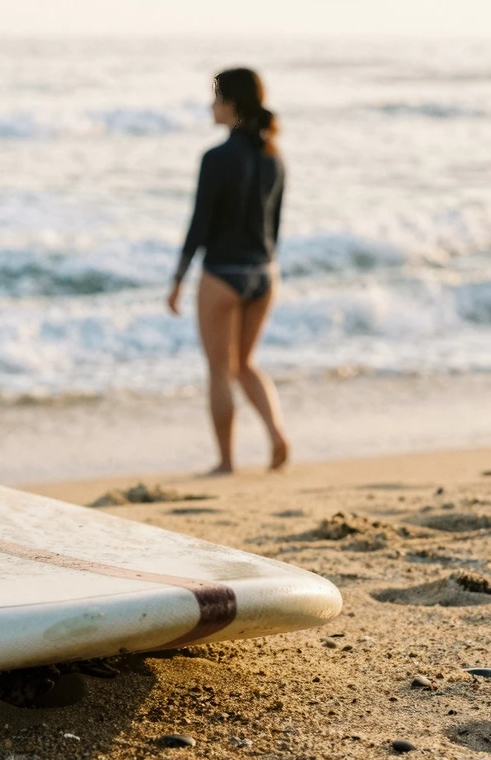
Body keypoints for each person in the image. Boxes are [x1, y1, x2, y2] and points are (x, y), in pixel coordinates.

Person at [166, 68, 288, 475]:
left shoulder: (215, 158)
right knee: (245, 364)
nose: (210, 106)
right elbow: (276, 225)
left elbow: (199, 225)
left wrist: (178, 279)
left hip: (223, 274)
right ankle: (276, 435)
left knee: (220, 371)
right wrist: (266, 267)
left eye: (215, 98)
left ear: (231, 104)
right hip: (264, 272)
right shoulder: (275, 157)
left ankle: (226, 461)